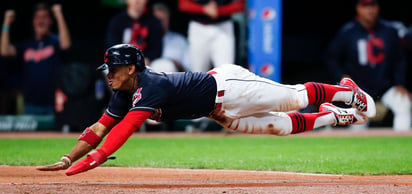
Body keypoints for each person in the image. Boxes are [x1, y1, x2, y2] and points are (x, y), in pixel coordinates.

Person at [37, 44, 376, 175]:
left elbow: (125, 129)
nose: (108, 75)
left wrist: (94, 160)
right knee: (282, 127)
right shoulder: (123, 92)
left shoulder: (151, 85)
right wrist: (69, 157)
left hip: (230, 87)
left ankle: (345, 91)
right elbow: (100, 128)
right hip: (218, 111)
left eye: (113, 69)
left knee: (294, 97)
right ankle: (336, 115)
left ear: (131, 69)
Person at [326, 0, 411, 131]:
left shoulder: (390, 30)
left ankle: (401, 144)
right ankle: (357, 149)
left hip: (385, 86)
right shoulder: (347, 32)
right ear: (358, 8)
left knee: (404, 103)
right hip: (359, 88)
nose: (370, 10)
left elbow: (400, 59)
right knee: (357, 121)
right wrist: (342, 75)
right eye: (365, 6)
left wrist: (400, 83)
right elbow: (332, 58)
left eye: (373, 5)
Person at [1, 3, 71, 115]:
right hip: (30, 104)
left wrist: (58, 14)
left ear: (50, 22)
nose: (41, 21)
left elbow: (66, 44)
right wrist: (6, 22)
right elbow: (4, 51)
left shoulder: (55, 42)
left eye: (44, 17)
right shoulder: (27, 45)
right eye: (38, 17)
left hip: (54, 104)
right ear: (33, 22)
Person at [178, 0, 245, 72]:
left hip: (223, 27)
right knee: (198, 71)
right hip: (199, 27)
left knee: (226, 70)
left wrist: (219, 11)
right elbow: (183, 4)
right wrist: (204, 9)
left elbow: (240, 5)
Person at [105, 0, 164, 66]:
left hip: (148, 64)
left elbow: (156, 49)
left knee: (164, 65)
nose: (137, 1)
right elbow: (113, 46)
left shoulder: (154, 22)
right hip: (122, 62)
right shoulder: (117, 21)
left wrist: (147, 59)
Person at [151, 2, 190, 72]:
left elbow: (190, 70)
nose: (160, 23)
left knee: (167, 66)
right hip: (150, 79)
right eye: (157, 20)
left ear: (168, 20)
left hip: (175, 79)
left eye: (162, 20)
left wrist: (177, 65)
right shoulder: (143, 39)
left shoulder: (180, 41)